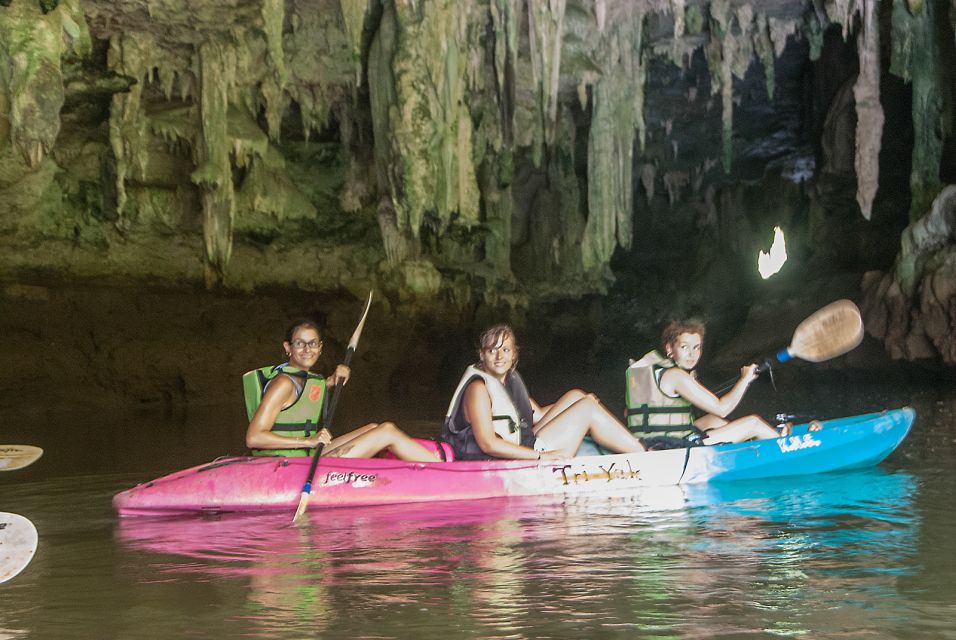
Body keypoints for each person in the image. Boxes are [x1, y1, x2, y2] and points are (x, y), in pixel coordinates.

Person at [244, 318, 440, 462]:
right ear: (288, 347)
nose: (307, 349)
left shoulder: (306, 379)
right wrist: (309, 442)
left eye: (312, 343)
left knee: (373, 428)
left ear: (320, 348)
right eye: (299, 343)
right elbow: (254, 438)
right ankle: (444, 471)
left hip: (305, 457)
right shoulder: (283, 383)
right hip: (288, 465)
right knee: (386, 431)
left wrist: (333, 381)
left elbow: (309, 393)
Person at [441, 324, 646, 461]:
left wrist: (579, 402)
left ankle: (636, 450)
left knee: (577, 396)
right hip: (509, 457)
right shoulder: (478, 388)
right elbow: (488, 443)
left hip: (524, 443)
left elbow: (537, 416)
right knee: (588, 410)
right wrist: (542, 457)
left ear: (514, 355)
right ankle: (644, 456)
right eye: (491, 350)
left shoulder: (506, 382)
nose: (499, 357)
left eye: (505, 350)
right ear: (481, 355)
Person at [626, 319, 801, 450]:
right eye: (685, 347)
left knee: (713, 420)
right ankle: (786, 449)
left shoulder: (654, 370)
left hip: (648, 440)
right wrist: (744, 380)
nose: (692, 354)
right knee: (753, 422)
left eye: (697, 347)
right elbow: (722, 408)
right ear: (670, 349)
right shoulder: (676, 376)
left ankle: (755, 444)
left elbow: (629, 412)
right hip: (668, 448)